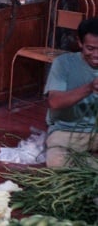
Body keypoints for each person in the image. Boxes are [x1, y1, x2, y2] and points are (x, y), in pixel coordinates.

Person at [44, 17, 98, 168]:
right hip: (65, 130)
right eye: (90, 48)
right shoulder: (63, 63)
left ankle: (88, 165)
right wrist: (89, 88)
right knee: (57, 163)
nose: (96, 55)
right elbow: (54, 102)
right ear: (80, 43)